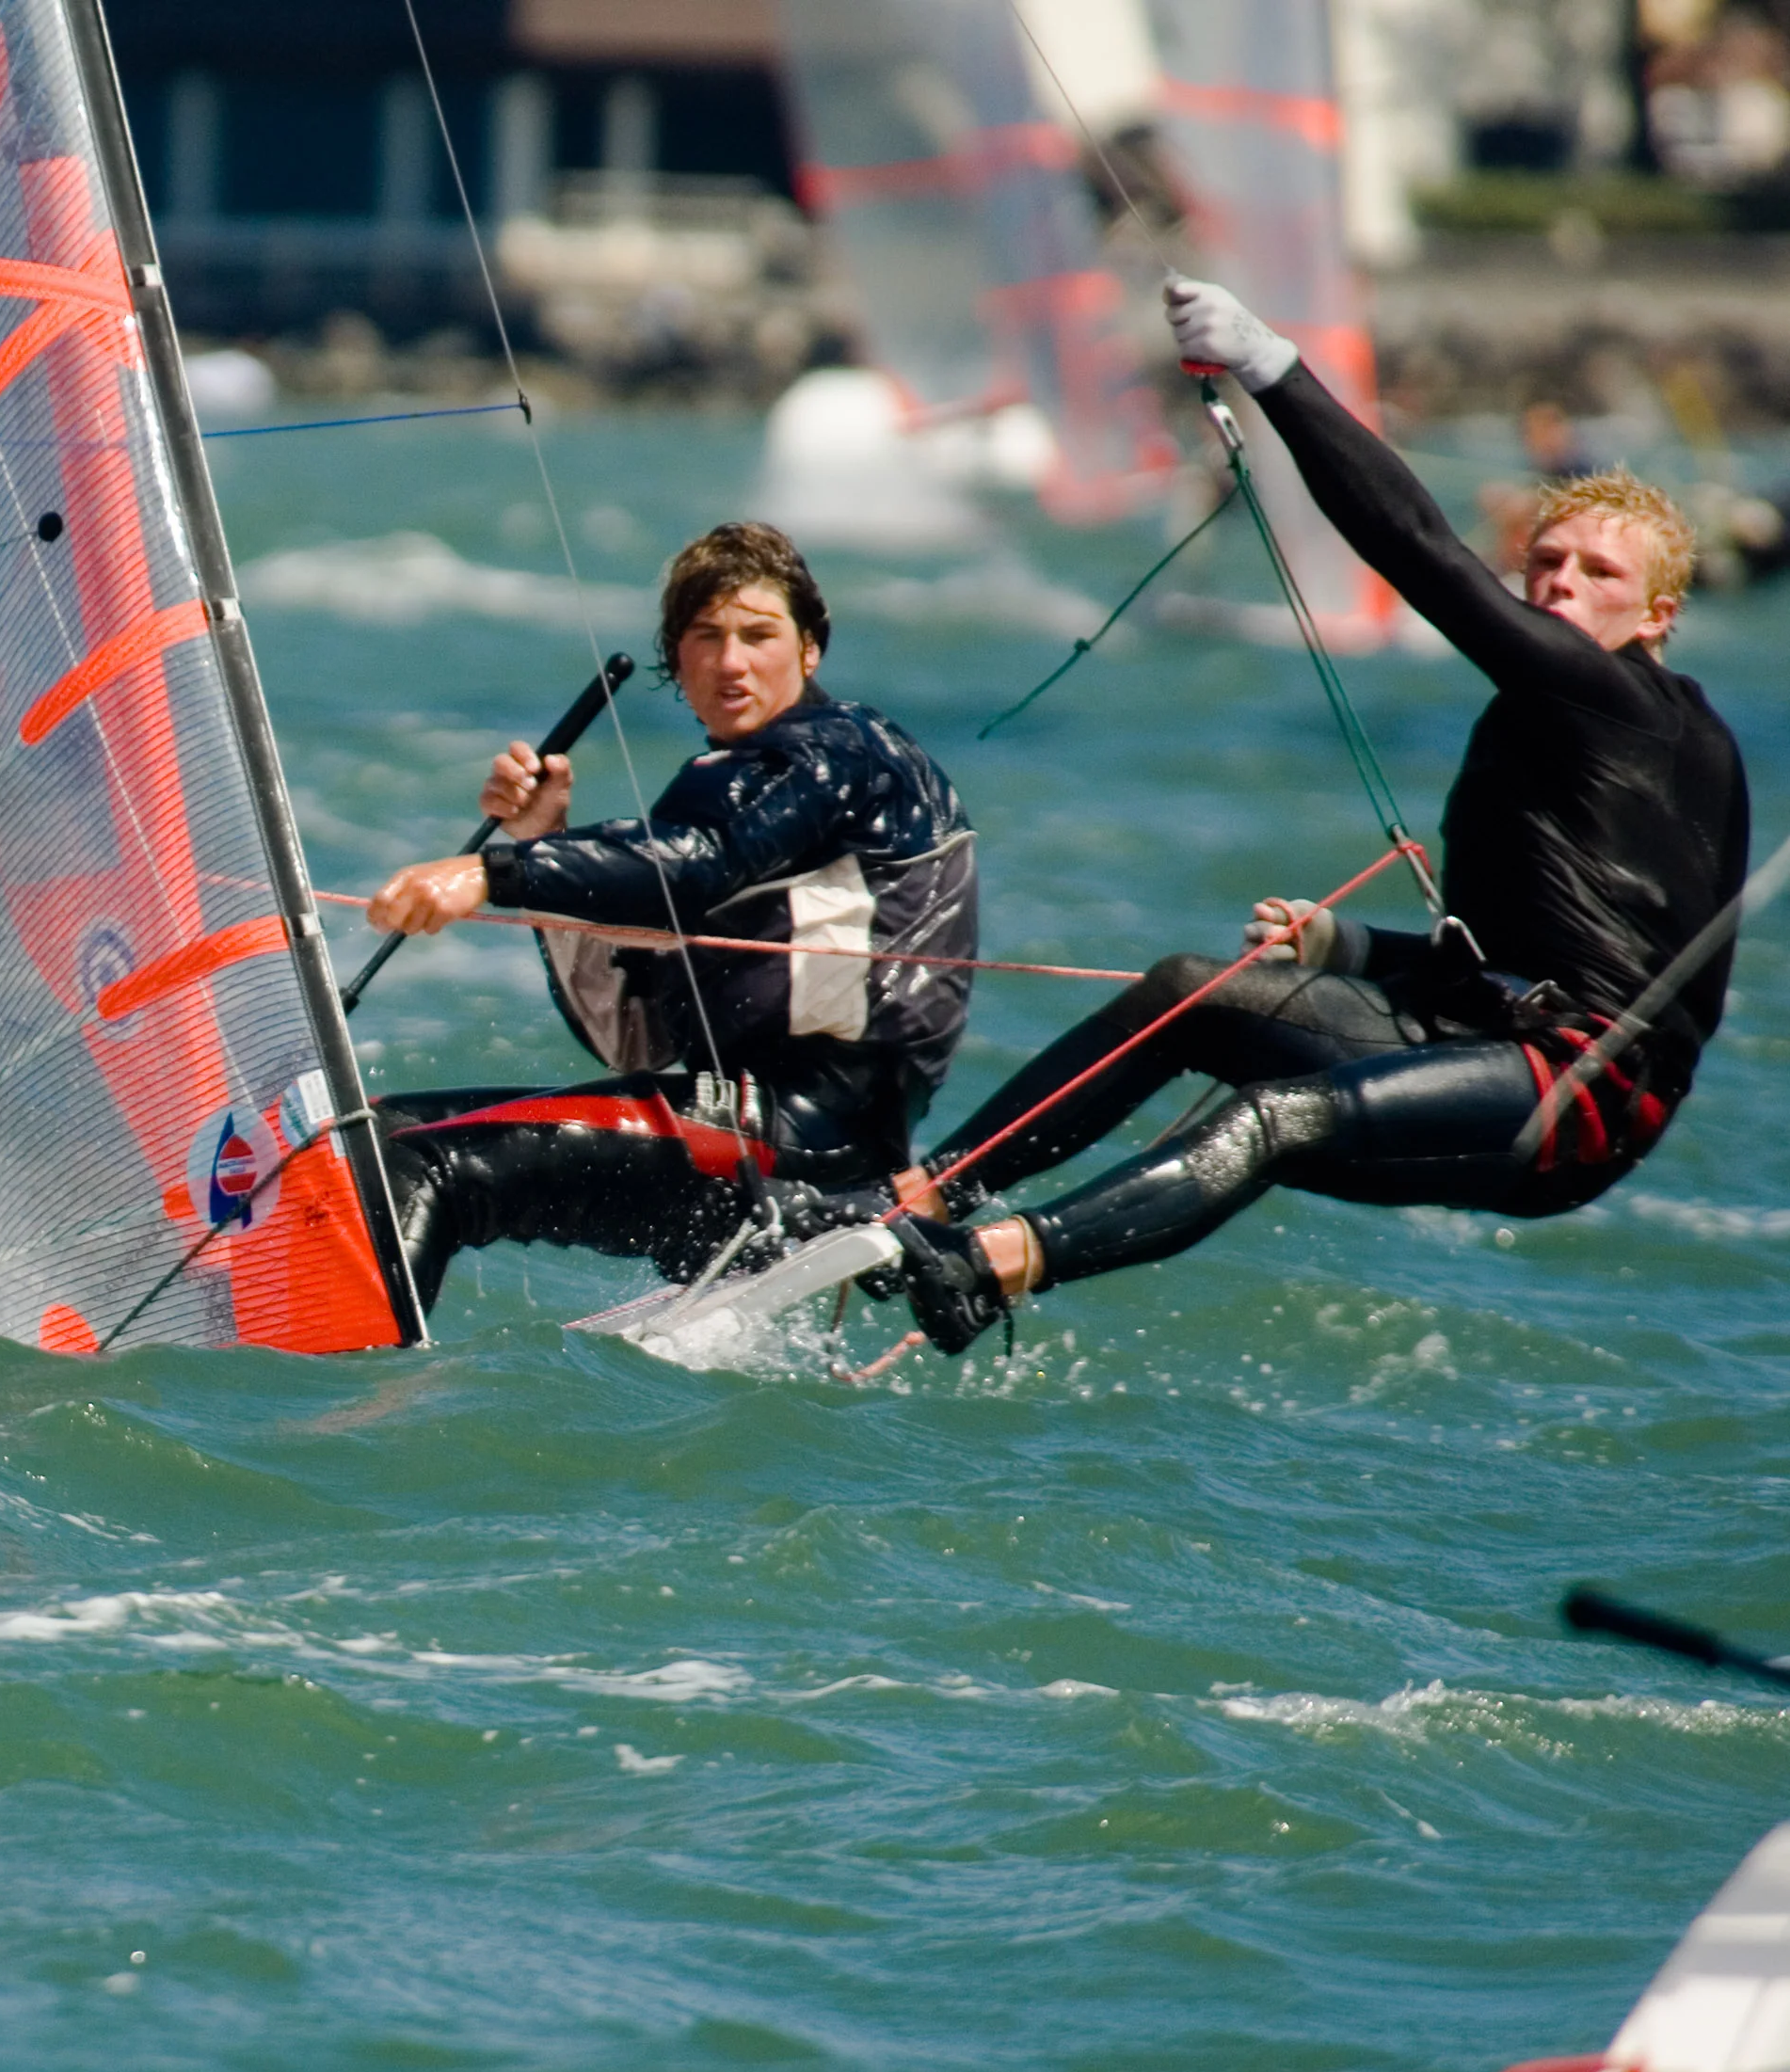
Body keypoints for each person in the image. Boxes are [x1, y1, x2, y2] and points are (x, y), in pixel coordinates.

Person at [834, 278, 1750, 1354]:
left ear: (1657, 617)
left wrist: (1273, 366)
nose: (1561, 586)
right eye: (1547, 563)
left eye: (1599, 573)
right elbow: (1530, 955)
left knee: (1267, 1118)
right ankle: (926, 1198)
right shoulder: (1579, 730)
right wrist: (1346, 943)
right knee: (1190, 994)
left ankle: (991, 1268)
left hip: (1578, 1101)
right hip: (1488, 1037)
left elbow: (1415, 544)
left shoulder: (1622, 705)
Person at [362, 521, 978, 1311]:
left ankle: (354, 1398)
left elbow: (700, 862)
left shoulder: (840, 753)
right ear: (676, 662)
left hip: (804, 1139)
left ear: (809, 650)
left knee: (423, 1166)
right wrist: (542, 839)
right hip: (740, 1137)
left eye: (759, 635)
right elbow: (634, 1037)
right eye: (705, 636)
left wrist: (497, 872)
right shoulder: (730, 795)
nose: (731, 661)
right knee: (369, 1136)